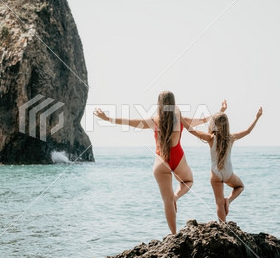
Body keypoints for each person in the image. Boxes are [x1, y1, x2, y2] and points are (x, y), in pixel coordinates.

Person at [93, 91, 225, 234]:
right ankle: (176, 196)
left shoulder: (154, 121)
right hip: (178, 157)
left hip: (161, 162)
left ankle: (174, 235)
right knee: (188, 181)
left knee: (167, 201)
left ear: (159, 104)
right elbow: (204, 119)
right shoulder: (180, 118)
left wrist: (107, 118)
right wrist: (221, 111)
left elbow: (129, 122)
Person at [182, 106, 263, 223]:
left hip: (215, 173)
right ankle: (229, 201)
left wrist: (180, 118)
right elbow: (248, 131)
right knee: (240, 187)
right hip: (228, 172)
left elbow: (191, 130)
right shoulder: (231, 137)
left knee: (219, 203)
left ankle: (223, 226)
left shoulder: (210, 138)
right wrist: (257, 117)